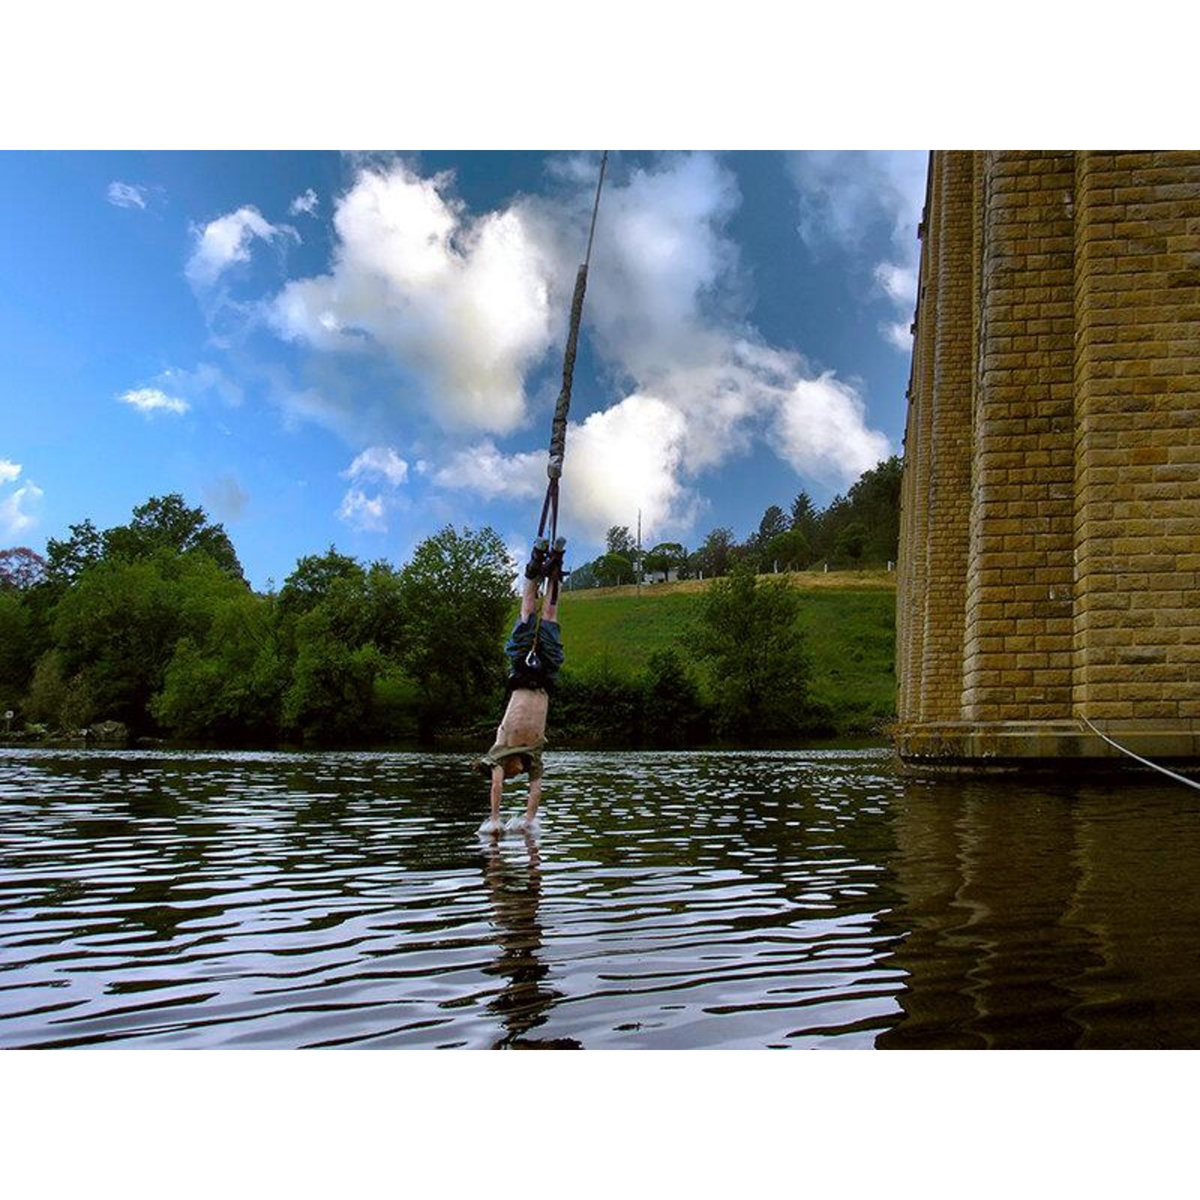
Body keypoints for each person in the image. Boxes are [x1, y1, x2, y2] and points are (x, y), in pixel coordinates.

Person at [475, 536, 566, 835]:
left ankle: (534, 568)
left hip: (521, 671)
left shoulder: (500, 752)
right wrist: (528, 822)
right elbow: (536, 790)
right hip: (545, 678)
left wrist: (495, 819)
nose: (512, 774)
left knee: (527, 613)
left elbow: (496, 784)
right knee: (550, 614)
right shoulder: (532, 757)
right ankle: (555, 566)